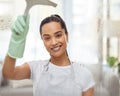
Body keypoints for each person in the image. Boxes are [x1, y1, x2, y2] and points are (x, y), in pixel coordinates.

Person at [2, 14, 95, 96]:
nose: (54, 42)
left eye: (58, 35)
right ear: (43, 41)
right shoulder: (36, 68)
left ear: (66, 35)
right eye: (47, 38)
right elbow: (8, 73)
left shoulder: (84, 74)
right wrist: (15, 42)